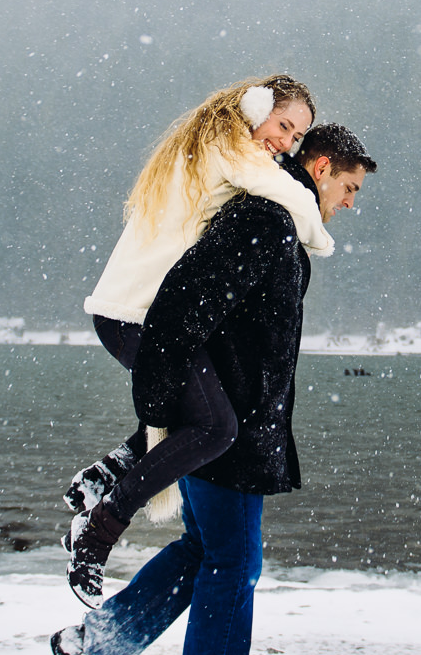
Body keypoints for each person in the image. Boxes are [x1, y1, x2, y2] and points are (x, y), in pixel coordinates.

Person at [51, 123, 378, 655]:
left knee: (205, 551)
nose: (350, 203)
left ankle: (93, 648)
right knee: (234, 562)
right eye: (349, 186)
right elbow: (183, 304)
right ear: (321, 165)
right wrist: (171, 408)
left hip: (231, 425)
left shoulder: (278, 222)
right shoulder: (264, 219)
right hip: (225, 430)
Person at [63, 76, 335, 607]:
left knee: (204, 409)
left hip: (136, 312)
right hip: (135, 316)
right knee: (214, 427)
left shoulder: (211, 144)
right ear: (255, 107)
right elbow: (296, 204)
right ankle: (97, 533)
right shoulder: (230, 147)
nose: (286, 142)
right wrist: (319, 238)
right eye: (283, 125)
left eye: (297, 137)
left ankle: (107, 473)